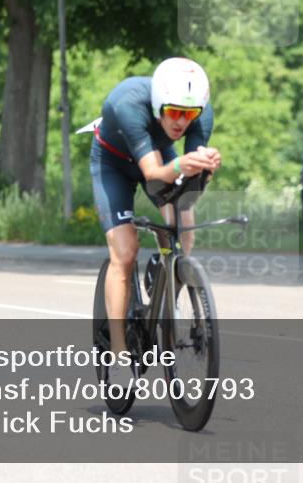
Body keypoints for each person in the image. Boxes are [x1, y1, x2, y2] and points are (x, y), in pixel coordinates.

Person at [87, 57, 220, 386]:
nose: (181, 122)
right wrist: (182, 167)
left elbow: (187, 191)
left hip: (159, 158)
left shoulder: (200, 114)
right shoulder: (129, 102)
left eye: (189, 115)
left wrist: (204, 172)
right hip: (114, 164)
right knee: (126, 252)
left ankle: (165, 283)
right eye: (174, 112)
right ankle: (118, 355)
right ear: (159, 104)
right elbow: (152, 174)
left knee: (183, 225)